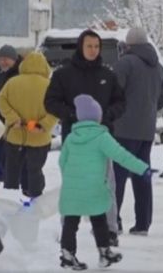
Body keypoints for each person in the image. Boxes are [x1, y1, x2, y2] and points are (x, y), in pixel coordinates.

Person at [45, 29, 125, 246]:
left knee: (107, 184)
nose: (93, 50)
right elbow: (50, 102)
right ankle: (67, 231)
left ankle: (109, 230)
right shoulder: (63, 74)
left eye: (97, 46)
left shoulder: (107, 75)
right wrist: (72, 115)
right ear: (81, 47)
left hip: (101, 139)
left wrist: (106, 116)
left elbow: (120, 103)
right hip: (75, 140)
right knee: (73, 185)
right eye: (89, 46)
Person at [58, 94, 149, 270]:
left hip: (72, 188)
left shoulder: (71, 138)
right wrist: (142, 168)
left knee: (71, 221)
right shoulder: (102, 137)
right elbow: (121, 155)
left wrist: (71, 178)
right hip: (94, 187)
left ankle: (68, 255)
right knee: (99, 218)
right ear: (97, 118)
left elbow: (62, 162)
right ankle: (104, 252)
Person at [112, 28, 163, 237]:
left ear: (129, 44)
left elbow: (114, 92)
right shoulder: (159, 67)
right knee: (142, 174)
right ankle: (143, 223)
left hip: (123, 128)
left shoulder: (125, 63)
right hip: (146, 130)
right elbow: (162, 99)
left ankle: (113, 221)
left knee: (117, 176)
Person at [0, 52, 57, 198]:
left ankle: (10, 198)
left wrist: (13, 118)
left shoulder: (12, 83)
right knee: (35, 170)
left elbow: (1, 101)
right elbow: (57, 109)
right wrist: (43, 125)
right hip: (39, 137)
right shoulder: (50, 86)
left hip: (15, 136)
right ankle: (35, 198)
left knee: (12, 170)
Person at [0, 45, 21, 185]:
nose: (3, 62)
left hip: (15, 118)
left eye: (7, 59)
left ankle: (12, 175)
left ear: (14, 60)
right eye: (1, 59)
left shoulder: (19, 76)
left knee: (11, 149)